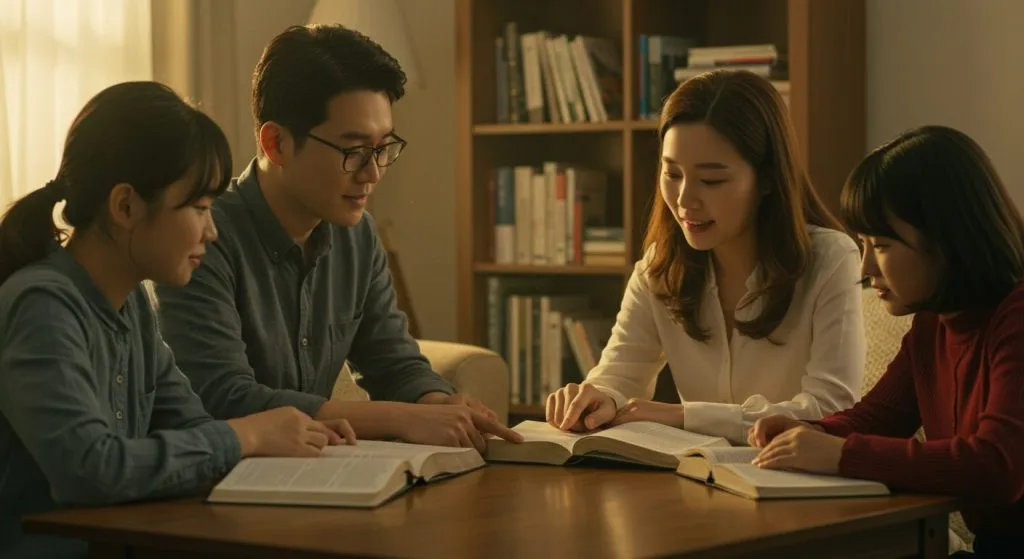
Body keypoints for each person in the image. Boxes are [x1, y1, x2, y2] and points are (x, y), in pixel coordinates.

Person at [0, 81, 357, 559]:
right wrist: (247, 434)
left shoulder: (133, 308)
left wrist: (283, 440)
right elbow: (91, 468)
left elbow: (192, 425)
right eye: (200, 208)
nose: (211, 231)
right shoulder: (44, 305)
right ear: (125, 206)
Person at [153, 24, 520, 453]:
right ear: (276, 144)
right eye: (354, 151)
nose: (373, 172)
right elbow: (224, 397)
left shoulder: (356, 234)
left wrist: (438, 403)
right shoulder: (201, 235)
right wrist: (405, 418)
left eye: (384, 147)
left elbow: (394, 362)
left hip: (314, 471)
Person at [546, 70, 865, 444]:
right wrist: (599, 396)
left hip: (794, 482)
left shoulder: (830, 259)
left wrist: (685, 417)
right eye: (672, 174)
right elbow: (620, 373)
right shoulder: (659, 268)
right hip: (699, 482)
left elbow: (831, 409)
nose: (684, 200)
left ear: (766, 180)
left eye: (711, 181)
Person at [749, 125, 1024, 557]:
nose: (864, 268)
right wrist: (807, 432)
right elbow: (878, 416)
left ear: (947, 241)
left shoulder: (1017, 317)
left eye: (880, 245)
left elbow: (998, 466)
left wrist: (840, 455)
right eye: (862, 243)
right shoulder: (933, 324)